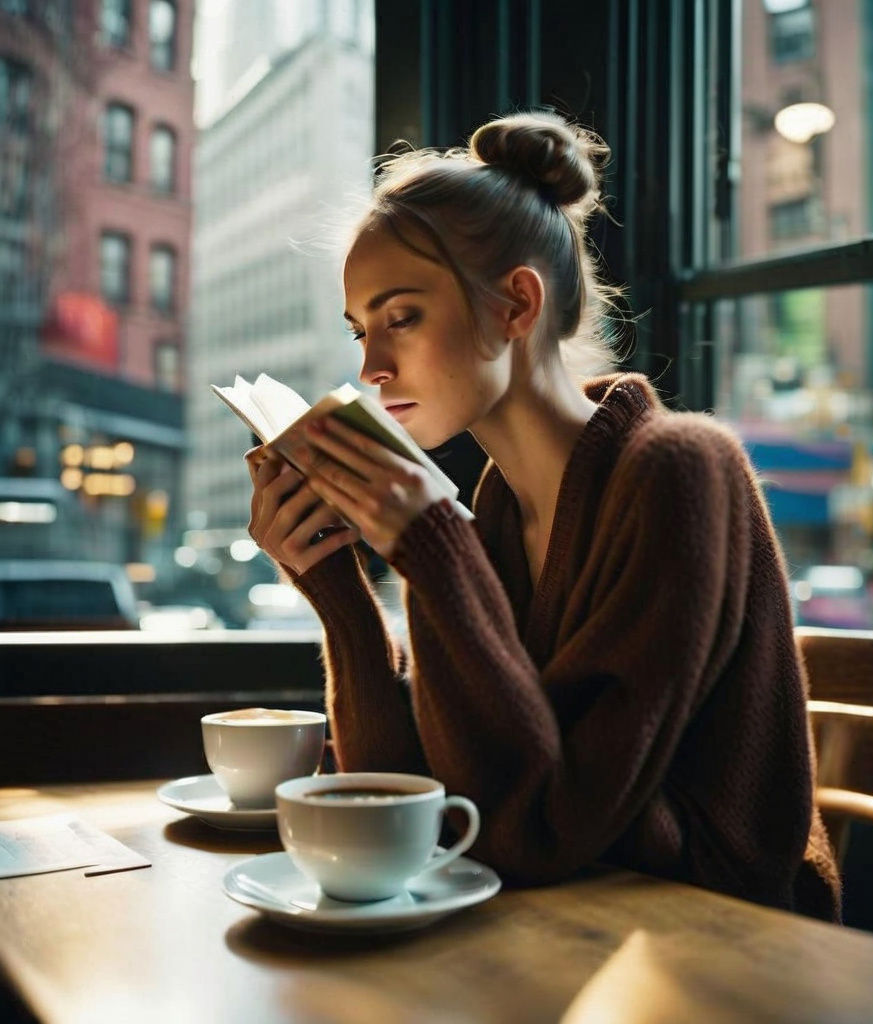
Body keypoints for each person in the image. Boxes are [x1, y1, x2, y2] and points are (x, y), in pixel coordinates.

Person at [246, 111, 841, 921]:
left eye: (402, 316)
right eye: (360, 331)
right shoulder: (491, 510)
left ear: (516, 305)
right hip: (574, 928)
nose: (371, 369)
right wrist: (335, 589)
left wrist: (432, 548)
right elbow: (423, 802)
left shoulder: (681, 471)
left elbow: (541, 829)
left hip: (723, 946)